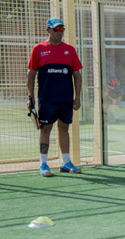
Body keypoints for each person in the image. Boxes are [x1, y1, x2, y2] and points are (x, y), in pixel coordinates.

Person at [27, 17, 83, 177]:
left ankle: (66, 162)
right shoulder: (38, 49)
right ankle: (43, 164)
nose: (60, 33)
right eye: (56, 29)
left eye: (62, 29)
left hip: (65, 98)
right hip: (47, 98)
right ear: (48, 30)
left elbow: (77, 75)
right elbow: (30, 75)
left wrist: (77, 96)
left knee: (64, 128)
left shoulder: (70, 50)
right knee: (45, 129)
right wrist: (30, 97)